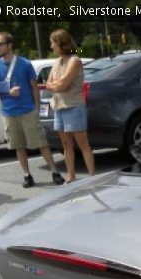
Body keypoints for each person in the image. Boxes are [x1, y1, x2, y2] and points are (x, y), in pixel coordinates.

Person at [0, 32, 64, 188]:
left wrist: (36, 107)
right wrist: (8, 92)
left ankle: (54, 172)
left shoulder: (24, 64)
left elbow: (34, 87)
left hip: (27, 110)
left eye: (0, 44)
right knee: (18, 145)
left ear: (9, 45)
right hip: (8, 112)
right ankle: (27, 175)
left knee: (41, 142)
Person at [46, 29, 95, 183]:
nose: (51, 46)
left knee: (83, 144)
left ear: (61, 43)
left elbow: (64, 84)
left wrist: (56, 85)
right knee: (66, 144)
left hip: (74, 106)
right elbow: (48, 84)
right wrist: (56, 85)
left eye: (53, 43)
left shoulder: (74, 60)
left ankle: (92, 177)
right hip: (59, 106)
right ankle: (71, 175)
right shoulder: (56, 62)